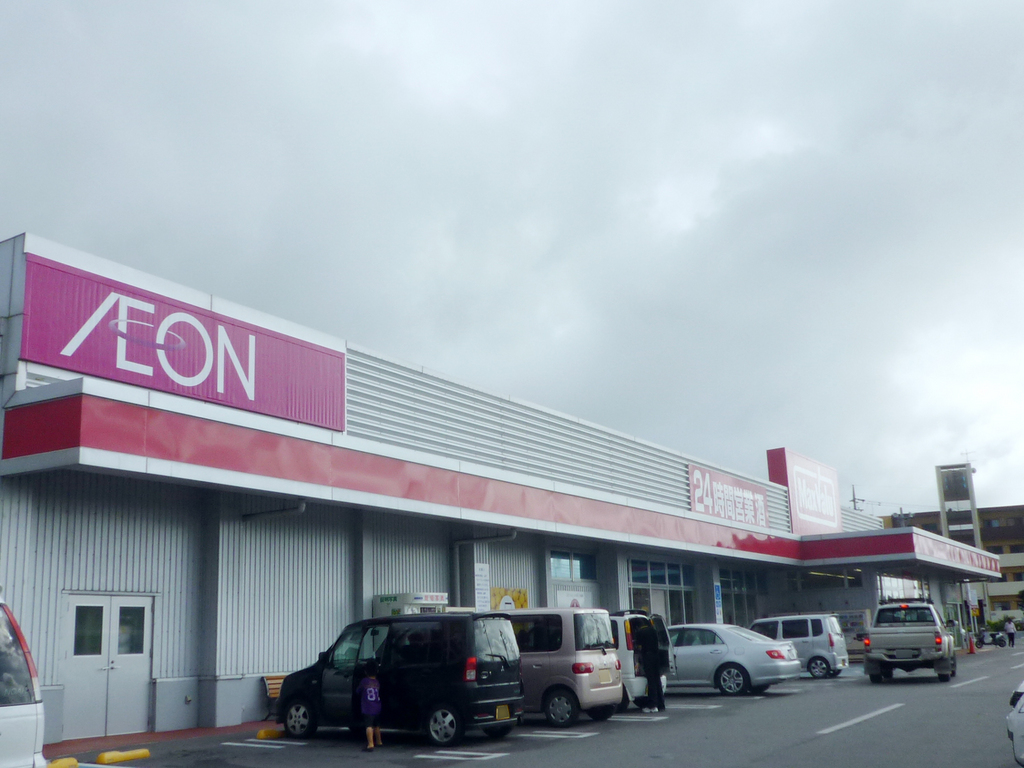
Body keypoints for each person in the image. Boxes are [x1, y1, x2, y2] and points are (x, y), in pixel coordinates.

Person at [635, 622, 665, 712]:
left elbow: (638, 646)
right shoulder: (653, 630)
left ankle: (652, 705)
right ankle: (661, 704)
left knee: (651, 681)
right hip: (656, 656)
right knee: (657, 680)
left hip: (648, 657)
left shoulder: (640, 632)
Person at [356, 660, 383, 751]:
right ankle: (379, 741)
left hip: (368, 708)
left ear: (365, 671)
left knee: (369, 726)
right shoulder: (377, 682)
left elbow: (358, 691)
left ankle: (370, 744)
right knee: (377, 726)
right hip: (377, 706)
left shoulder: (364, 681)